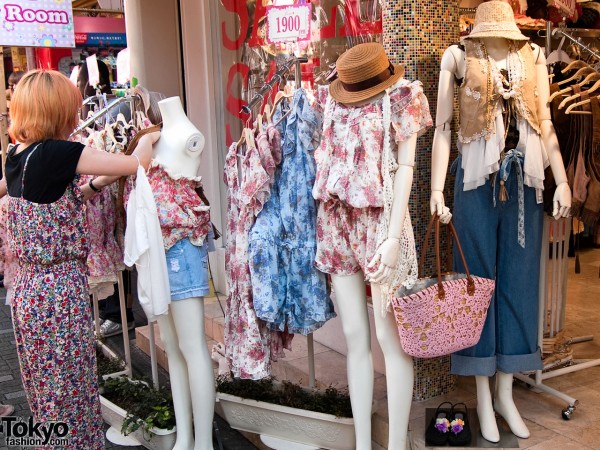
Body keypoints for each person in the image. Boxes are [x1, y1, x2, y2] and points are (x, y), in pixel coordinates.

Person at [430, 1, 571, 443]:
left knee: (519, 284)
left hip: (524, 185)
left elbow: (545, 121)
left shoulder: (531, 59)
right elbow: (441, 128)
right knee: (477, 286)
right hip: (473, 185)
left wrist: (562, 179)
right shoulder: (457, 57)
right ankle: (483, 395)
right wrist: (436, 190)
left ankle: (507, 391)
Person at [1, 69, 159, 449]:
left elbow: (51, 201)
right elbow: (137, 162)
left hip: (28, 290)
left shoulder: (19, 154)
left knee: (45, 387)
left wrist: (95, 184)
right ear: (59, 109)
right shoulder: (61, 152)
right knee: (69, 387)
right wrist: (153, 131)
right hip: (58, 292)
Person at [313, 42, 432, 449]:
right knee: (353, 336)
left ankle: (395, 445)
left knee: (390, 338)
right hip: (335, 221)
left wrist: (395, 239)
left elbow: (407, 169)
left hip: (381, 225)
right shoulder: (329, 97)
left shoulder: (402, 97)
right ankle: (363, 442)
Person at [146, 96, 214, 450]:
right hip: (156, 251)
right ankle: (184, 437)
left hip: (183, 247)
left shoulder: (189, 135)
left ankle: (202, 442)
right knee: (171, 346)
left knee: (191, 345)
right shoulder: (154, 136)